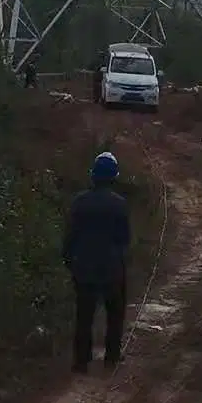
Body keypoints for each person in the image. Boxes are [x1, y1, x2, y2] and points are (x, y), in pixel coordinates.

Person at [62, 150, 130, 374]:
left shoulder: (79, 202)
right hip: (111, 268)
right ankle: (111, 357)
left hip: (84, 267)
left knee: (84, 316)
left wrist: (68, 260)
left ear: (93, 175)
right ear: (113, 177)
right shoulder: (119, 204)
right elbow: (124, 239)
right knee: (115, 313)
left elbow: (71, 235)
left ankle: (81, 362)